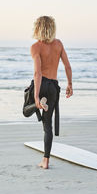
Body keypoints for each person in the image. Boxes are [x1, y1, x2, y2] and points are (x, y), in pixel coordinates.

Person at [30, 16, 73, 169]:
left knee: (29, 99)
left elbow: (38, 74)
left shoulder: (36, 47)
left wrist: (35, 95)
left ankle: (38, 104)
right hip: (54, 86)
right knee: (48, 125)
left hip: (42, 85)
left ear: (38, 28)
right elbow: (67, 66)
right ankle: (46, 160)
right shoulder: (58, 44)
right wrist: (69, 84)